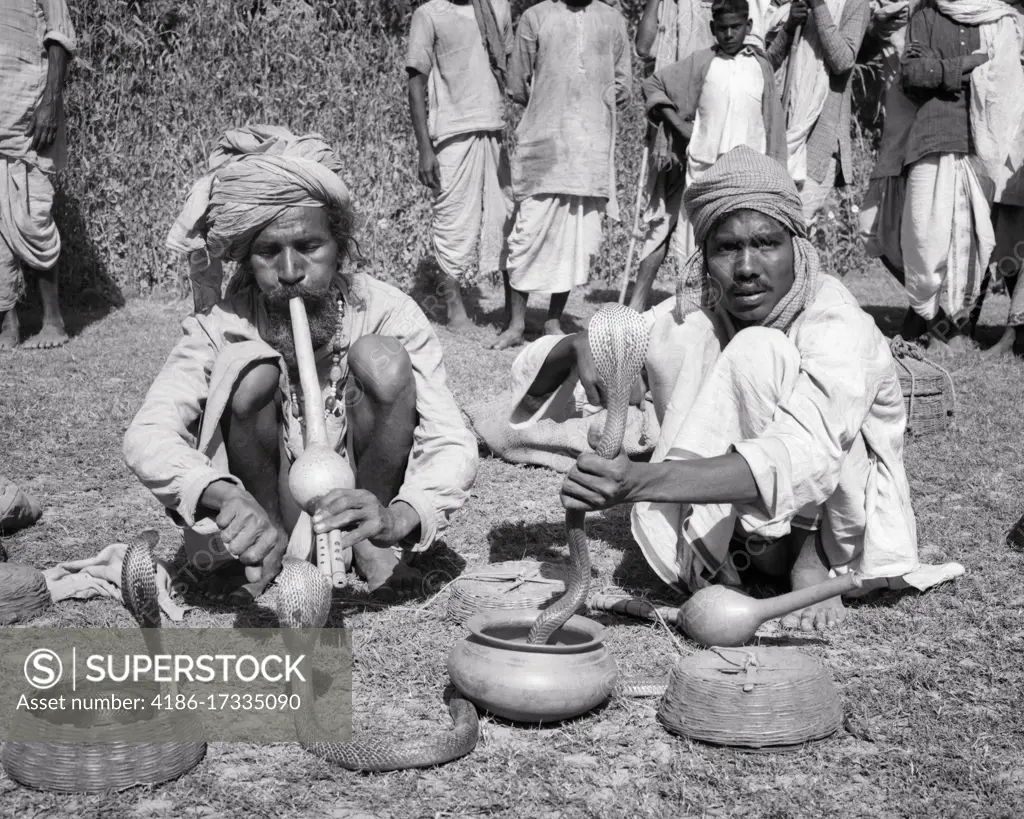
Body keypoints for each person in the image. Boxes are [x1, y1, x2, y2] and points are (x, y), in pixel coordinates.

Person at [505, 147, 936, 631]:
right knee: (686, 336)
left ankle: (808, 563)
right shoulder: (703, 308)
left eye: (766, 243)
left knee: (759, 351)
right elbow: (534, 376)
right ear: (704, 259)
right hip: (745, 538)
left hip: (835, 529)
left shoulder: (836, 320)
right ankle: (721, 558)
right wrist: (577, 344)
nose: (747, 266)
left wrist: (638, 484)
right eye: (727, 248)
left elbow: (804, 454)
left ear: (797, 245)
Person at [124, 128, 478, 605]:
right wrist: (221, 495)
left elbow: (452, 439)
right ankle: (262, 543)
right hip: (268, 496)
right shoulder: (220, 325)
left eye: (310, 247)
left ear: (340, 245)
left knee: (385, 361)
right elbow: (147, 436)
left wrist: (402, 515)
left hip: (365, 498)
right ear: (248, 261)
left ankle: (372, 545)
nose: (290, 272)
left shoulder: (388, 310)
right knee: (248, 371)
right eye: (269, 252)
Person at [489, 0, 631, 350]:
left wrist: (606, 95)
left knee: (575, 239)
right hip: (545, 146)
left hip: (590, 150)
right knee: (526, 235)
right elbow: (518, 85)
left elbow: (623, 83)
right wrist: (553, 101)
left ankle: (553, 320)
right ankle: (517, 324)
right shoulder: (536, 17)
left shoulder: (612, 20)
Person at [636, 0, 786, 302]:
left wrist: (776, 169)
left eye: (736, 27)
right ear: (712, 28)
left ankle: (737, 311)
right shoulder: (701, 62)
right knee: (696, 241)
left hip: (748, 175)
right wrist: (679, 125)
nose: (729, 34)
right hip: (705, 172)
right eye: (722, 28)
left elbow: (773, 123)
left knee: (741, 243)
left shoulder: (760, 65)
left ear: (749, 27)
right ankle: (695, 309)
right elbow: (653, 84)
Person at [897, 0, 1024, 349]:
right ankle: (932, 322)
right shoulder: (925, 15)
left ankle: (955, 331)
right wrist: (967, 65)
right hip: (932, 136)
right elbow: (911, 74)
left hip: (984, 141)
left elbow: (1006, 77)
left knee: (970, 242)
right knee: (924, 238)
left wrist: (939, 72)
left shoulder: (999, 18)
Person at [406, 0, 513, 332]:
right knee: (452, 219)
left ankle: (514, 311)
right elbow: (415, 84)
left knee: (507, 215)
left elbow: (510, 64)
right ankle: (455, 311)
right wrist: (425, 148)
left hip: (494, 127)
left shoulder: (499, 7)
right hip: (451, 132)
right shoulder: (428, 14)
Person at [0, 0, 76, 350]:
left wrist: (51, 101)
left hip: (28, 108)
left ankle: (53, 321)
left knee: (32, 213)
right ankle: (8, 319)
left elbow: (59, 36)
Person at [766, 0, 870, 222]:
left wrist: (819, 7)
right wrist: (790, 25)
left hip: (822, 136)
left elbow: (843, 61)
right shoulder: (790, 5)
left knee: (796, 224)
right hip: (781, 130)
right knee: (772, 223)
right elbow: (767, 65)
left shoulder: (856, 4)